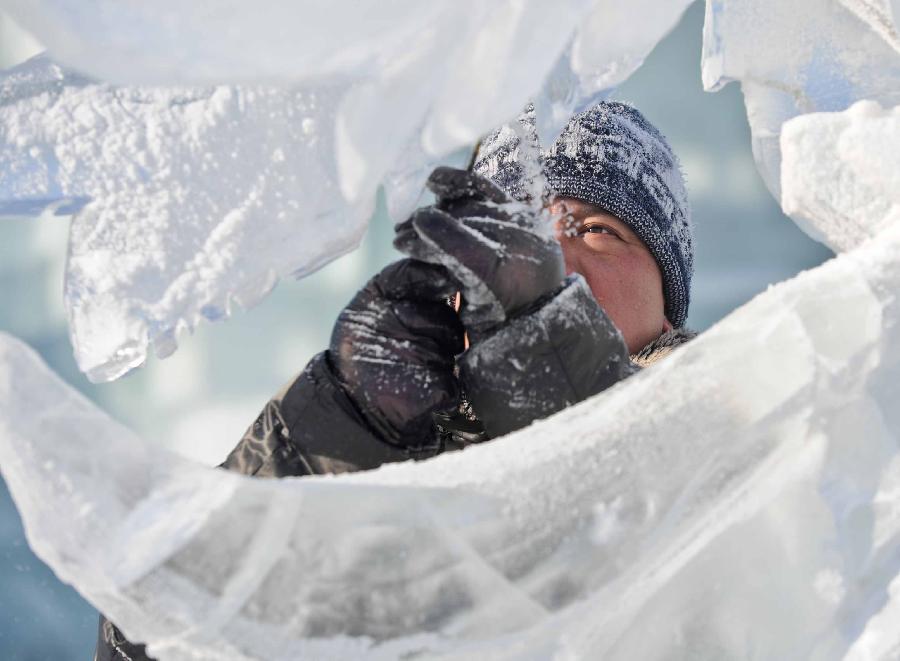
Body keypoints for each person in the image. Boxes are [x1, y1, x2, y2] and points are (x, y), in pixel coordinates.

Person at [95, 101, 696, 660]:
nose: (554, 263)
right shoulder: (379, 473)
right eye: (512, 242)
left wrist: (566, 407)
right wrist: (331, 440)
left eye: (597, 230)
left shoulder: (746, 436)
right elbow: (152, 639)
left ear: (668, 308)